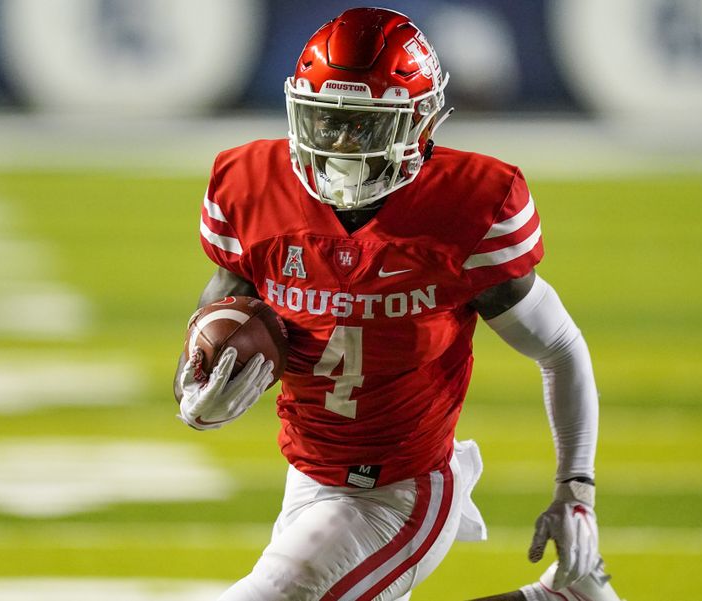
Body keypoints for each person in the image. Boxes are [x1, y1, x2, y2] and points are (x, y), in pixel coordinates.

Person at [173, 7, 625, 601]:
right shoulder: (254, 187)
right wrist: (194, 394)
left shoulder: (466, 208)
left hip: (402, 488)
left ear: (420, 123)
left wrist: (577, 490)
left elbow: (561, 348)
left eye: (363, 126)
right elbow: (212, 326)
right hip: (308, 472)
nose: (339, 146)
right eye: (326, 121)